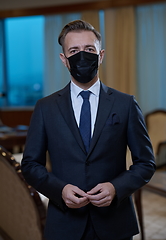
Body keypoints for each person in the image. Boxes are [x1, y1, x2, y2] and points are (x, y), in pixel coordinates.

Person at [21, 20, 155, 240]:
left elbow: (146, 163)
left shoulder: (126, 104)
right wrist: (59, 190)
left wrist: (116, 187)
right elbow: (30, 164)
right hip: (64, 223)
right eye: (74, 51)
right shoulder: (45, 108)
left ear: (101, 55)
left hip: (115, 223)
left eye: (89, 49)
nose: (82, 56)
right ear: (64, 59)